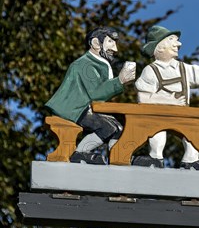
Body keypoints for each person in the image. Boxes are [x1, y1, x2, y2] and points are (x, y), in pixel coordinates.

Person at [133, 25, 199, 169]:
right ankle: (155, 157)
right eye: (172, 40)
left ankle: (191, 160)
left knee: (194, 130)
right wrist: (170, 101)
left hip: (183, 115)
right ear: (160, 46)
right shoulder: (150, 71)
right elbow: (143, 99)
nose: (179, 44)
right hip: (157, 116)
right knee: (157, 132)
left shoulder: (183, 68)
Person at [46, 26, 136, 165]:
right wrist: (119, 81)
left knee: (118, 128)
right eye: (111, 42)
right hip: (73, 109)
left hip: (84, 108)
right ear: (95, 43)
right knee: (107, 127)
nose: (116, 49)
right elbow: (95, 94)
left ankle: (117, 157)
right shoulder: (85, 64)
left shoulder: (99, 63)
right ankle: (81, 153)